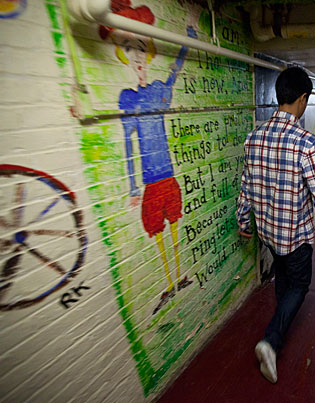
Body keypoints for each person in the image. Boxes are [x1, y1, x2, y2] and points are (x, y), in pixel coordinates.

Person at [236, 67, 315, 383]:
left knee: (283, 278)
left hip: (268, 232)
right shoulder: (307, 143)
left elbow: (246, 184)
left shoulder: (253, 138)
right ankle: (271, 341)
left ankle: (278, 326)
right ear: (302, 99)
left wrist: (243, 218)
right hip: (294, 236)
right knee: (299, 284)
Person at [99, 1, 202, 313]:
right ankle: (169, 283)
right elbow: (128, 146)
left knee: (174, 228)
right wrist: (132, 187)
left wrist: (189, 32)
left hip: (168, 176)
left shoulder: (158, 91)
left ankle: (179, 277)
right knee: (157, 232)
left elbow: (175, 71)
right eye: (130, 50)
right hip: (150, 182)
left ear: (148, 52)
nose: (137, 56)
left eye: (141, 49)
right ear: (125, 56)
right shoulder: (128, 99)